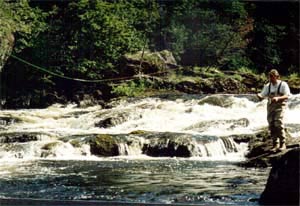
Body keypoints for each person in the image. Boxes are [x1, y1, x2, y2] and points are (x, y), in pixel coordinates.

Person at [257, 69, 291, 151]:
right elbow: (262, 96)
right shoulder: (267, 86)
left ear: (277, 77)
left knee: (278, 123)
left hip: (280, 106)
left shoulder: (283, 84)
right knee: (271, 125)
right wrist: (259, 96)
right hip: (270, 106)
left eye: (272, 77)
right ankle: (275, 144)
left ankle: (282, 143)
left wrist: (278, 98)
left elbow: (287, 96)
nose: (271, 78)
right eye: (270, 77)